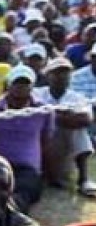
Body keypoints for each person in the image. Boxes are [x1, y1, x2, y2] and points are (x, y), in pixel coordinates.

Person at [0, 64, 54, 213]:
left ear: (32, 87)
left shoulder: (44, 110)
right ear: (8, 85)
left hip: (26, 169)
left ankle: (10, 212)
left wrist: (46, 174)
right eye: (17, 83)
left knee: (25, 192)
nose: (20, 88)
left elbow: (46, 143)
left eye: (25, 84)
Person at [35, 57, 96, 197]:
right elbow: (33, 117)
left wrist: (51, 114)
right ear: (48, 75)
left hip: (63, 147)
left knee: (78, 131)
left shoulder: (77, 97)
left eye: (65, 73)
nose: (61, 77)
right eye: (57, 72)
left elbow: (85, 120)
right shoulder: (36, 94)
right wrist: (64, 115)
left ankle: (84, 180)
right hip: (40, 144)